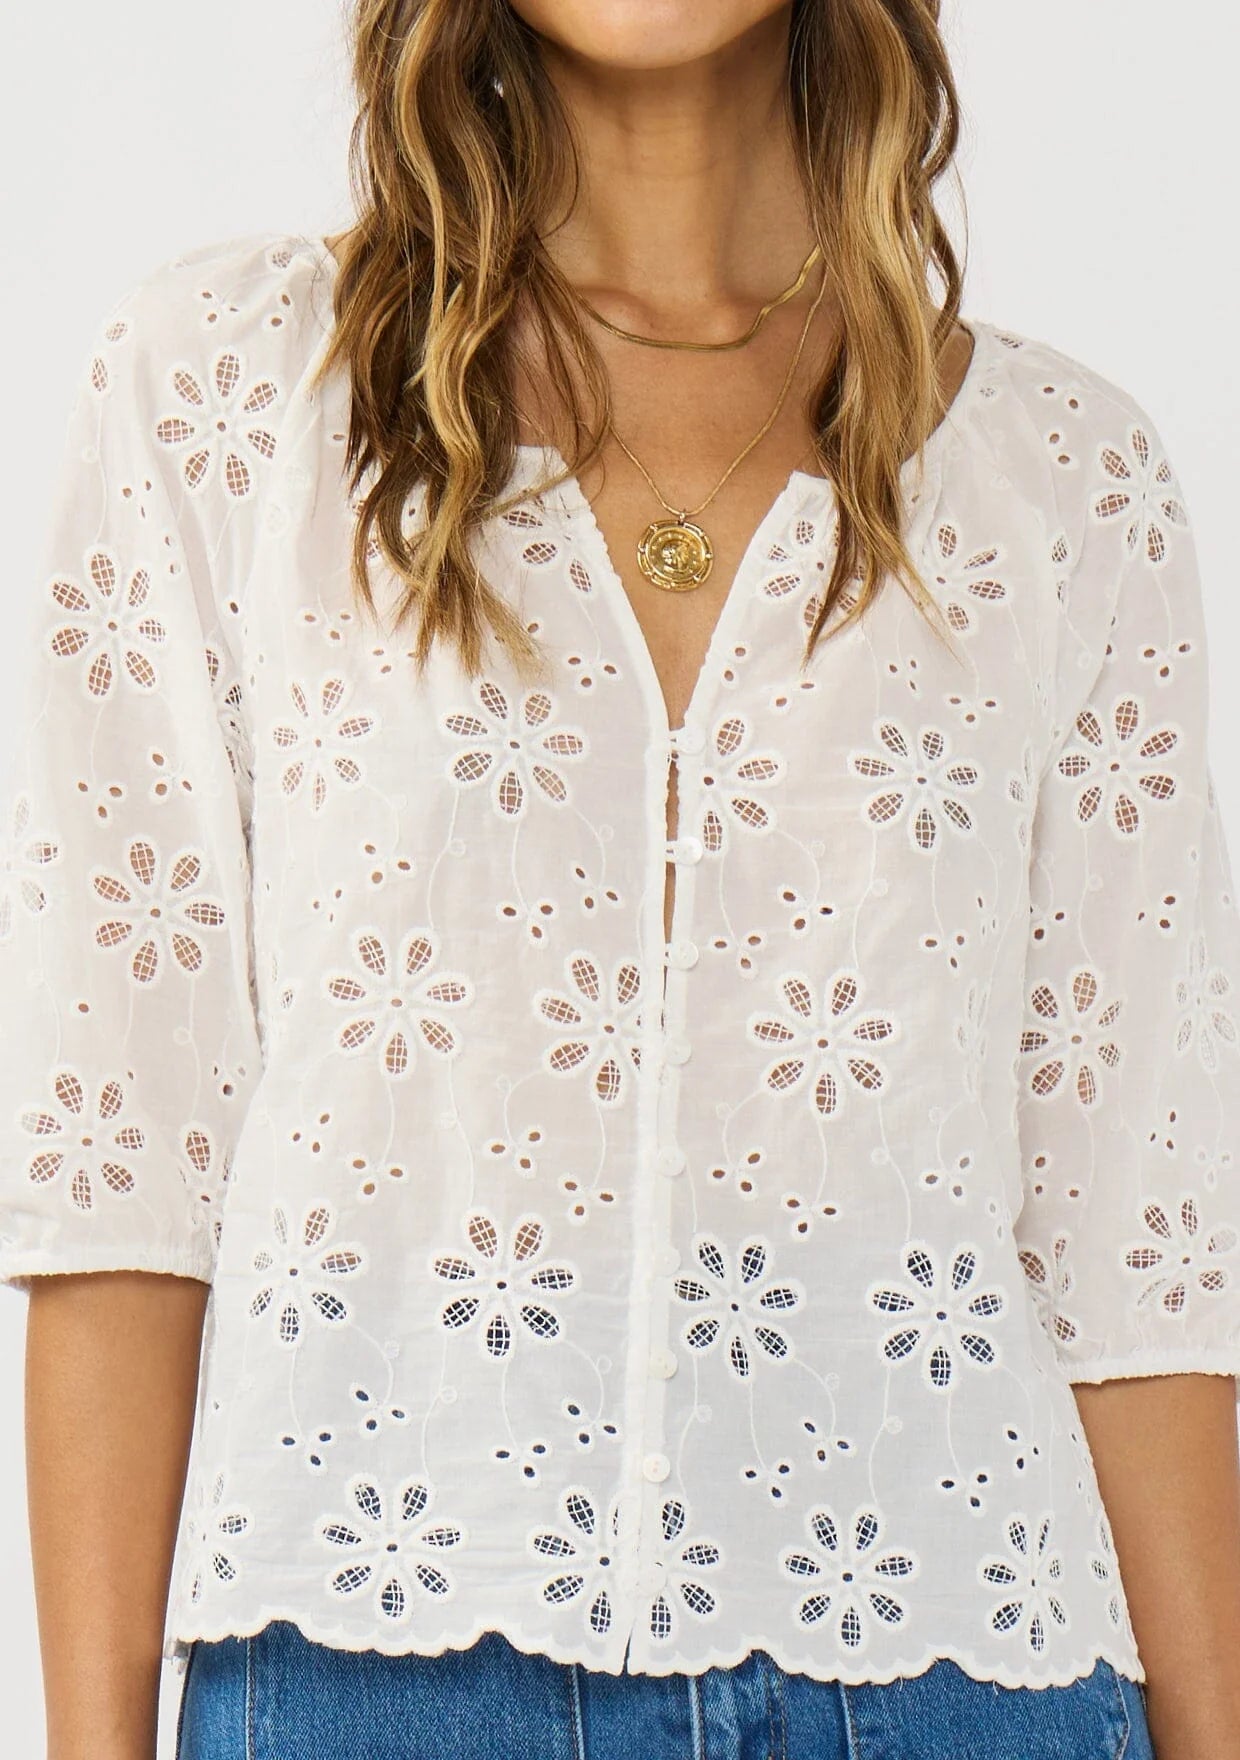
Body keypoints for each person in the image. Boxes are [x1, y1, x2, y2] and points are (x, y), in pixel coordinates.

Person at [3, 2, 1239, 1756]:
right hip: (380, 1661)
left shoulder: (1066, 482)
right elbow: (124, 1180)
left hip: (968, 1672)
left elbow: (1139, 1262)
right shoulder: (226, 398)